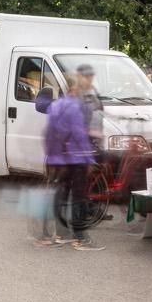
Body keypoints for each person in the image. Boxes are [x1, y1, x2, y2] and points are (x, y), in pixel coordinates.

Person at [42, 67, 102, 251]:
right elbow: (78, 135)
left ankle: (61, 234)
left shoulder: (56, 105)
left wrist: (51, 156)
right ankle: (80, 239)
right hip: (76, 158)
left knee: (61, 195)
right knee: (78, 197)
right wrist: (89, 160)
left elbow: (49, 133)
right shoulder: (75, 106)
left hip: (59, 159)